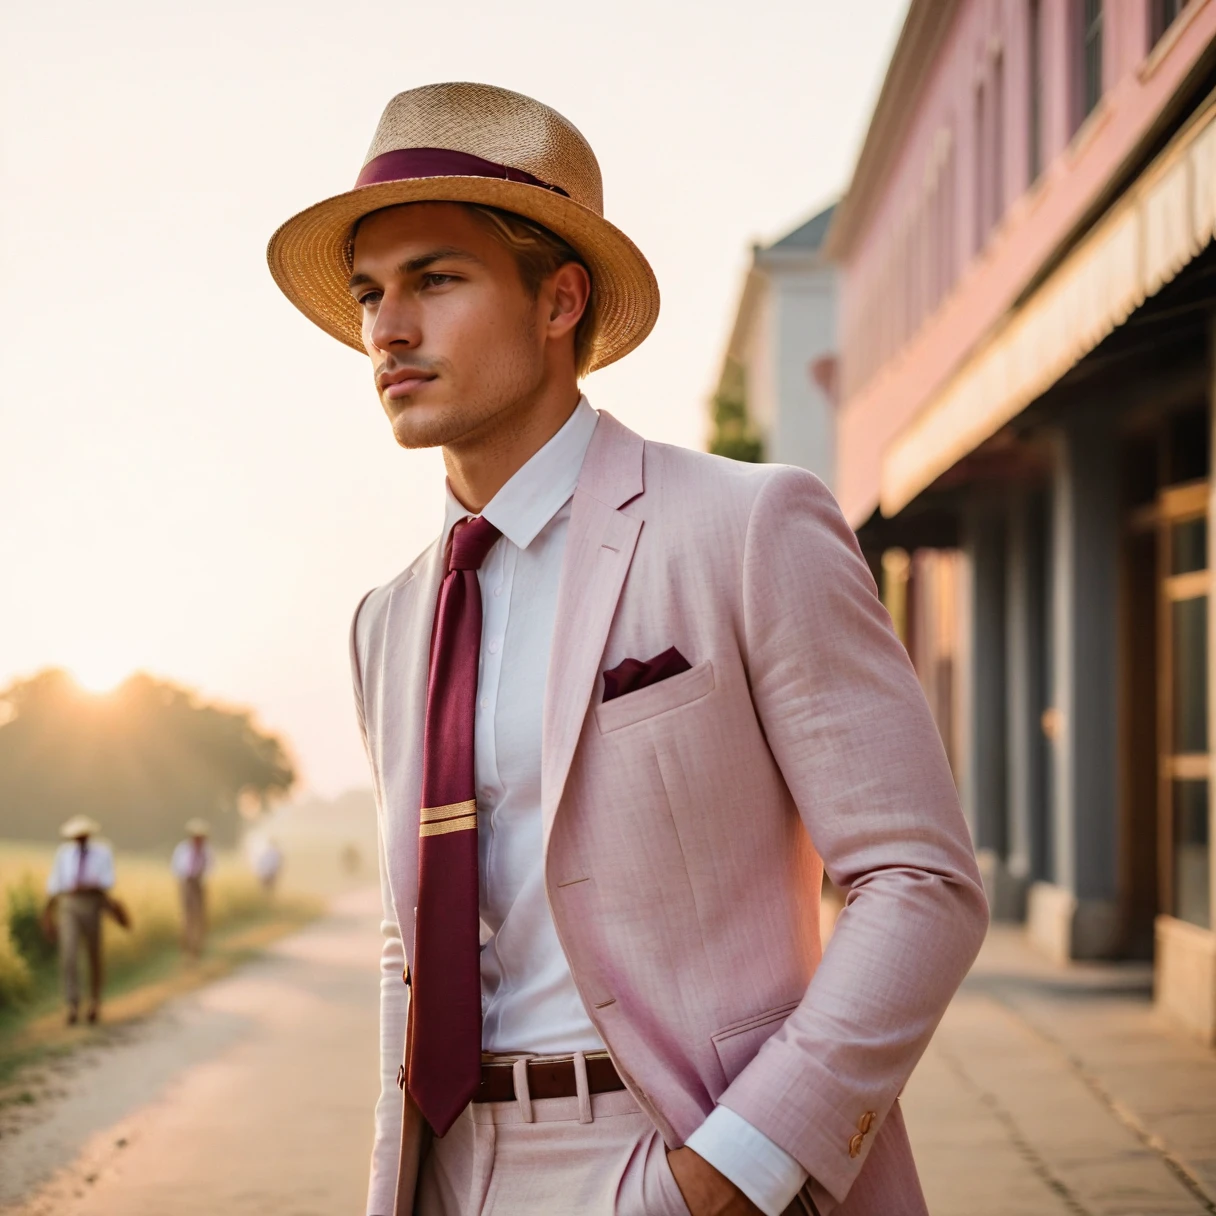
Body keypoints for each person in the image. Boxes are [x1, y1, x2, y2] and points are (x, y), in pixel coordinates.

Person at [268, 82, 989, 1216]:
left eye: (435, 280)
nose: (386, 330)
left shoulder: (746, 528)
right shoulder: (390, 617)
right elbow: (417, 940)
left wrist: (732, 1171)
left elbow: (919, 881)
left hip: (685, 1151)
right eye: (369, 293)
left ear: (560, 299)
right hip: (454, 1173)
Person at [43, 815, 115, 1025]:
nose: (80, 839)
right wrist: (47, 913)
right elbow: (55, 883)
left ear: (88, 836)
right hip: (69, 906)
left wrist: (87, 886)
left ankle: (94, 1001)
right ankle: (72, 1004)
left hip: (92, 904)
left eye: (83, 836)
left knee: (94, 953)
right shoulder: (64, 854)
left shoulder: (103, 853)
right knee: (69, 953)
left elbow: (108, 880)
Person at [171, 818, 213, 959]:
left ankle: (198, 946)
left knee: (200, 916)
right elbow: (176, 868)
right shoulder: (182, 849)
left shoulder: (206, 851)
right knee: (187, 916)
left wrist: (201, 879)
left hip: (199, 884)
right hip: (186, 884)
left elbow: (210, 869)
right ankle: (188, 945)